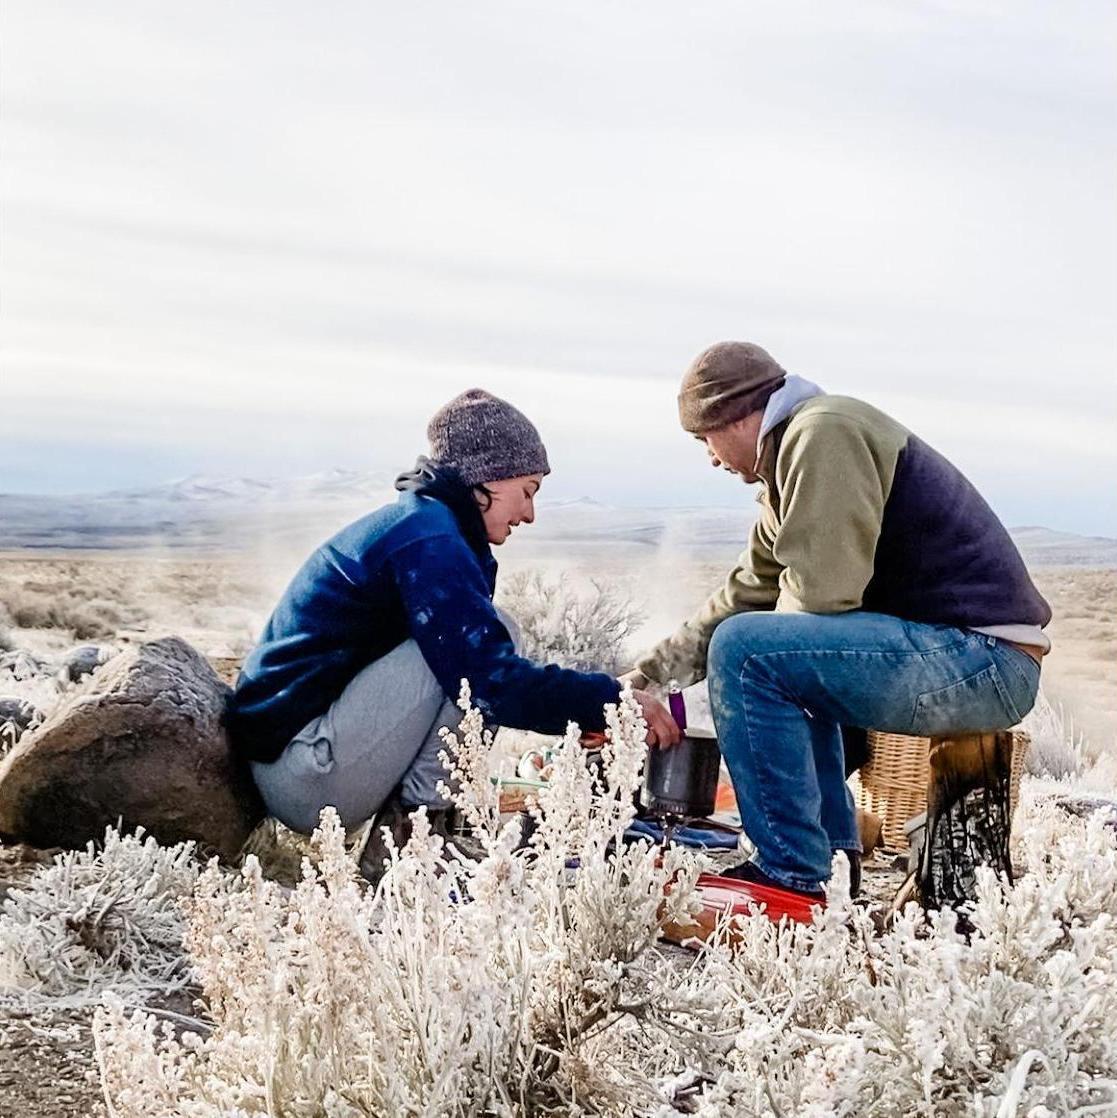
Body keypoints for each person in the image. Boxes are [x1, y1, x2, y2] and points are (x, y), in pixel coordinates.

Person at [623, 342, 1050, 901]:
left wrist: (751, 677)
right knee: (770, 652)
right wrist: (648, 677)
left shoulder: (823, 433)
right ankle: (831, 859)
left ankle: (790, 876)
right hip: (966, 655)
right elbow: (747, 594)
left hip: (982, 661)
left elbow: (819, 603)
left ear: (736, 415)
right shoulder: (790, 464)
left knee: (751, 652)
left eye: (705, 438)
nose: (710, 457)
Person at [226, 388, 679, 882]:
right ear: (488, 477)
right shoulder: (428, 539)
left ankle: (417, 838)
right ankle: (414, 847)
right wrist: (611, 702)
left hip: (303, 760)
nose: (529, 514)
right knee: (475, 655)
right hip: (302, 774)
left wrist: (589, 706)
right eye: (527, 491)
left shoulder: (428, 527)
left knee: (477, 643)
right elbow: (491, 683)